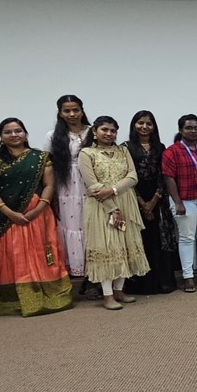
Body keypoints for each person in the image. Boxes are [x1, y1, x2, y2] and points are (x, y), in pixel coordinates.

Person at [0, 118, 73, 317]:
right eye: (8, 132)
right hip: (6, 216)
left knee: (40, 251)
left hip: (38, 214)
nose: (14, 135)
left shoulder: (40, 157)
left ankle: (50, 295)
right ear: (1, 137)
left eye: (18, 131)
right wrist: (9, 212)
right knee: (13, 254)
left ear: (26, 134)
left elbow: (49, 185)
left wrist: (38, 209)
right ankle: (12, 300)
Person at [79, 116, 151, 309]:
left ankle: (119, 290)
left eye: (113, 130)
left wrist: (113, 190)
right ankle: (107, 295)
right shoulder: (87, 153)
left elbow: (133, 176)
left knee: (125, 245)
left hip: (125, 201)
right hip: (101, 206)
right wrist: (112, 207)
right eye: (104, 129)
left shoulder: (123, 150)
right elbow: (92, 184)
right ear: (94, 131)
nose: (109, 134)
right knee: (107, 247)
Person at [122, 111, 176, 295]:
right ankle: (141, 285)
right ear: (133, 125)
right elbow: (125, 176)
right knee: (140, 240)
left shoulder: (160, 147)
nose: (144, 127)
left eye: (149, 124)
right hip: (133, 198)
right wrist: (142, 203)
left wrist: (154, 201)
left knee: (158, 240)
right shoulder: (125, 148)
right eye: (140, 123)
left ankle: (163, 283)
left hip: (158, 199)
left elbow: (164, 175)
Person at [163, 114, 197, 291]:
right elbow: (169, 178)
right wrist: (177, 202)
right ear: (180, 130)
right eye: (188, 128)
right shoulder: (171, 151)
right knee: (186, 238)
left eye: (196, 128)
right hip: (184, 200)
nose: (193, 131)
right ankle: (188, 276)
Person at [45, 95, 90, 279]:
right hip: (66, 187)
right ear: (60, 113)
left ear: (82, 110)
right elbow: (46, 164)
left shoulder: (93, 131)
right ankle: (76, 271)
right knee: (72, 226)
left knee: (91, 226)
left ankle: (96, 275)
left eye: (75, 110)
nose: (72, 114)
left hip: (91, 184)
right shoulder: (53, 136)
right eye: (67, 111)